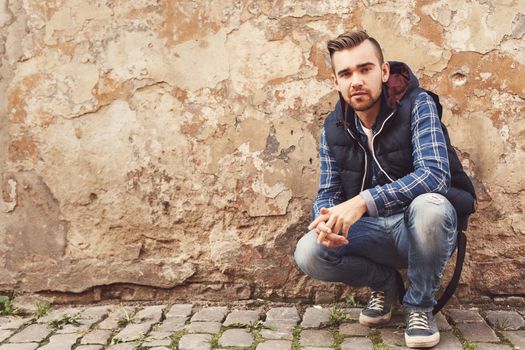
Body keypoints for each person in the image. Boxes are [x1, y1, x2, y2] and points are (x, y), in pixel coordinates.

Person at [294, 30, 475, 348]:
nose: (356, 81)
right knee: (309, 252)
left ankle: (419, 306)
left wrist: (364, 201)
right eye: (346, 73)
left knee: (430, 205)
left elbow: (434, 176)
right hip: (371, 234)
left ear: (385, 71)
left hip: (420, 228)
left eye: (365, 69)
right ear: (336, 82)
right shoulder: (333, 127)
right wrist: (325, 221)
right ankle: (385, 284)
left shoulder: (419, 105)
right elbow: (328, 191)